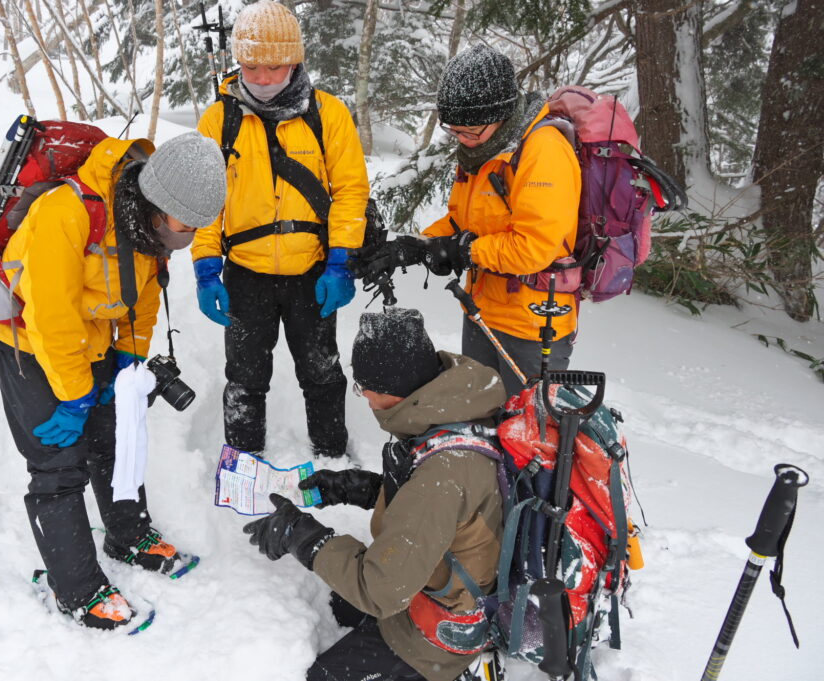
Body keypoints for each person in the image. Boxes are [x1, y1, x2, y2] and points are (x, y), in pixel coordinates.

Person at [0, 131, 226, 630]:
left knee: (113, 438)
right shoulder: (67, 213)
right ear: (158, 203)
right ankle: (75, 588)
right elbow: (52, 319)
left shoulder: (146, 227)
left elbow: (143, 297)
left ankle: (127, 534)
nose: (188, 236)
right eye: (185, 224)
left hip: (93, 339)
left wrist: (129, 357)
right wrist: (74, 396)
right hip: (29, 342)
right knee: (57, 464)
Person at [242, 308, 506, 681]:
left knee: (322, 676)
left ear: (390, 390)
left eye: (362, 387)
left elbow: (382, 591)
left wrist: (301, 536)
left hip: (441, 627)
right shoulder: (454, 408)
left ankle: (461, 668)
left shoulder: (443, 475)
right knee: (338, 600)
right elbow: (443, 508)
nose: (363, 397)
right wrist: (360, 488)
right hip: (437, 572)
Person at [191, 0, 370, 459]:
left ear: (294, 60)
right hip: (245, 275)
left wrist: (341, 261)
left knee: (322, 372)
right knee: (245, 378)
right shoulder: (219, 120)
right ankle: (243, 460)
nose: (264, 78)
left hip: (312, 272)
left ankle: (331, 455)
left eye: (274, 66)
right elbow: (206, 202)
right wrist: (206, 267)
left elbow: (350, 192)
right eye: (252, 67)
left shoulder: (328, 114)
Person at [419, 45, 582, 395]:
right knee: (480, 413)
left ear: (502, 115)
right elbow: (461, 221)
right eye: (455, 130)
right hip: (481, 310)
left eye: (470, 130)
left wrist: (465, 252)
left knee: (524, 424)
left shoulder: (544, 152)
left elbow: (532, 247)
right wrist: (419, 245)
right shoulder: (481, 150)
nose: (463, 139)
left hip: (532, 324)